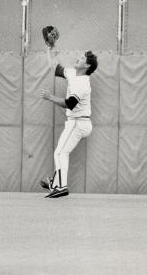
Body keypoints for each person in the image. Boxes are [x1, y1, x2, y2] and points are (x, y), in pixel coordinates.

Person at [38, 26, 98, 198]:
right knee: (61, 151)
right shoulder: (73, 73)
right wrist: (50, 48)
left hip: (79, 122)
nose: (78, 58)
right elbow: (55, 67)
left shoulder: (83, 83)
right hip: (77, 121)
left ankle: (60, 186)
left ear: (86, 65)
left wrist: (50, 97)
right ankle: (55, 182)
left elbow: (70, 103)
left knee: (60, 152)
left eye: (81, 58)